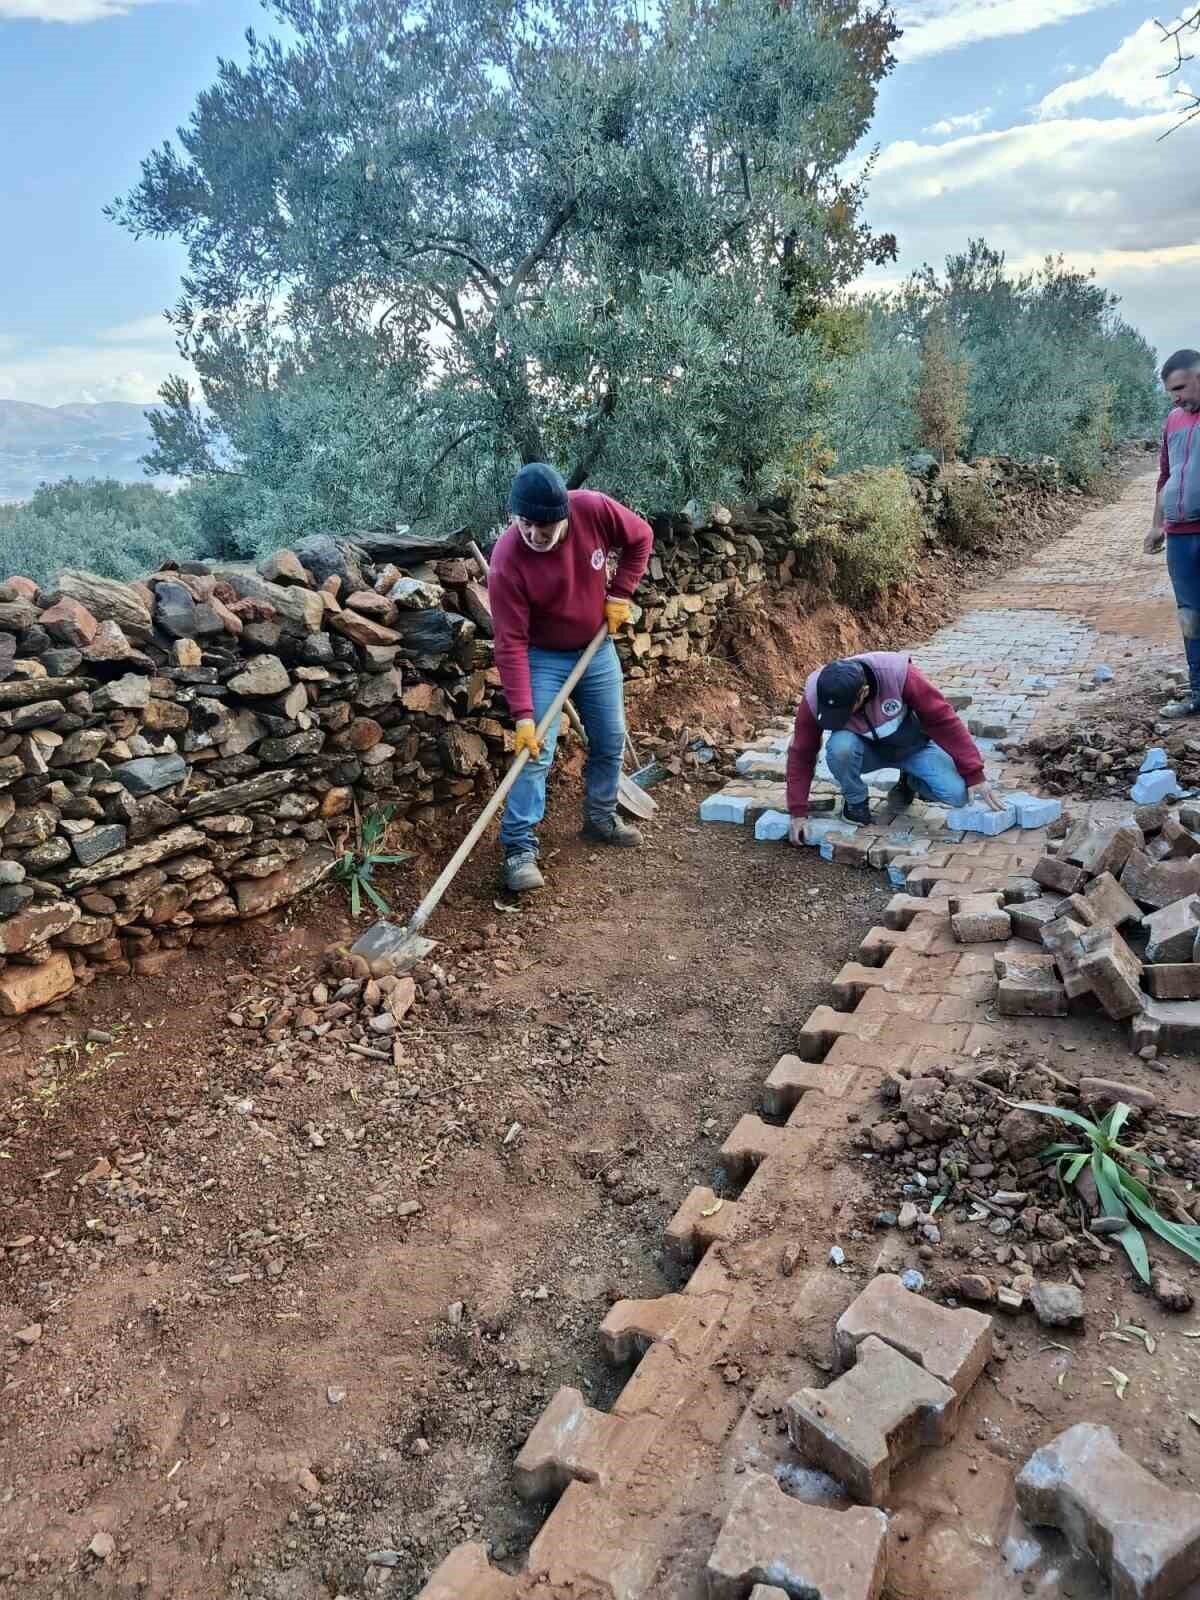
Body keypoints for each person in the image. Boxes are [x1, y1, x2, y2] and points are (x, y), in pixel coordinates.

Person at [488, 462, 653, 893]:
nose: (535, 535)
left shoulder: (593, 510)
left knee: (610, 736)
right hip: (543, 656)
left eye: (545, 527)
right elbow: (509, 643)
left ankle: (600, 817)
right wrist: (523, 715)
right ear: (515, 517)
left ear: (565, 514)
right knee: (535, 751)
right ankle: (519, 848)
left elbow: (641, 539)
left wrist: (620, 593)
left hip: (596, 649)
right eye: (526, 524)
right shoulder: (507, 560)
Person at [785, 651, 1003, 843]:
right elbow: (802, 752)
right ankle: (855, 803)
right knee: (840, 747)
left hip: (913, 748)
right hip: (865, 751)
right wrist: (797, 811)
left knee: (959, 795)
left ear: (863, 692)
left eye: (844, 712)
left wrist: (974, 773)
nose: (838, 717)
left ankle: (911, 781)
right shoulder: (816, 695)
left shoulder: (899, 674)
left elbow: (943, 720)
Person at [1144, 348, 1200, 719]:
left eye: (1180, 387)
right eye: (1170, 391)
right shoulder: (1174, 420)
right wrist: (1156, 524)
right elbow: (1166, 475)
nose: (1176, 397)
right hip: (1179, 536)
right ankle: (1198, 693)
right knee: (1190, 616)